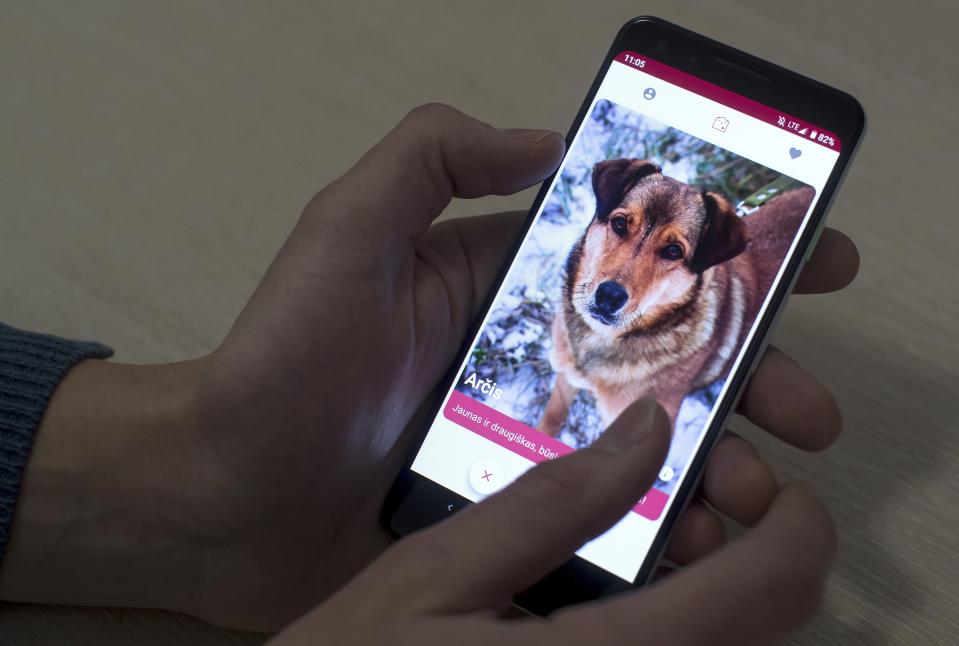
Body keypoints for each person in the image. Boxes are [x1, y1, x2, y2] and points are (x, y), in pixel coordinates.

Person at [0, 104, 858, 644]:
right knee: (569, 376)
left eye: (666, 252)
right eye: (620, 227)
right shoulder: (588, 272)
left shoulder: (693, 303)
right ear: (603, 206)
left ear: (698, 264)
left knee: (645, 436)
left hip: (666, 354)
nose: (618, 271)